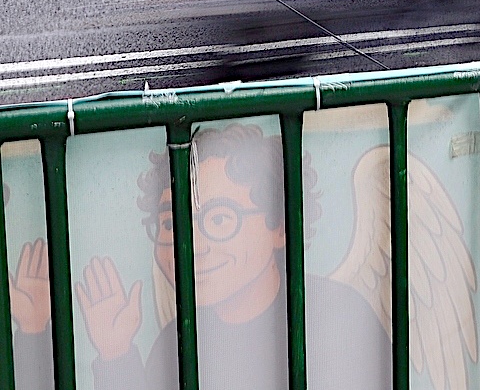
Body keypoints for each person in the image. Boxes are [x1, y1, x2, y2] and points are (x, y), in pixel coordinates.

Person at [74, 123, 391, 390]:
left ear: (279, 227)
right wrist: (115, 354)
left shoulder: (338, 319)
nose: (193, 245)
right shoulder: (175, 343)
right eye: (171, 224)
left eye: (220, 220)